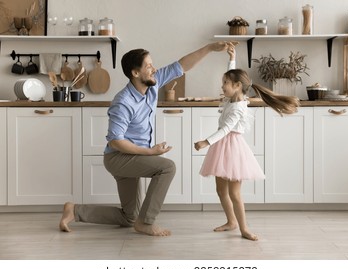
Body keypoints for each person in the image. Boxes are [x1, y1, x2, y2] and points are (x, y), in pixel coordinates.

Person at [59, 41, 230, 236]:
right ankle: (147, 223)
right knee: (167, 167)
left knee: (128, 217)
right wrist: (151, 152)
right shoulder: (123, 102)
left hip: (133, 156)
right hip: (118, 157)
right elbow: (116, 141)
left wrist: (209, 48)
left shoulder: (152, 85)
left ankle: (74, 210)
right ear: (135, 73)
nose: (154, 69)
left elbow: (181, 65)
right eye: (148, 66)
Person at [194, 44, 300, 241]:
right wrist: (232, 58)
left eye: (225, 82)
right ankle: (231, 221)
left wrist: (205, 142)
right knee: (220, 190)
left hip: (232, 149)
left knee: (234, 193)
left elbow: (226, 130)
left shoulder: (237, 107)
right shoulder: (232, 99)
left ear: (236, 86)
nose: (222, 85)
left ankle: (244, 228)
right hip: (221, 147)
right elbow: (233, 77)